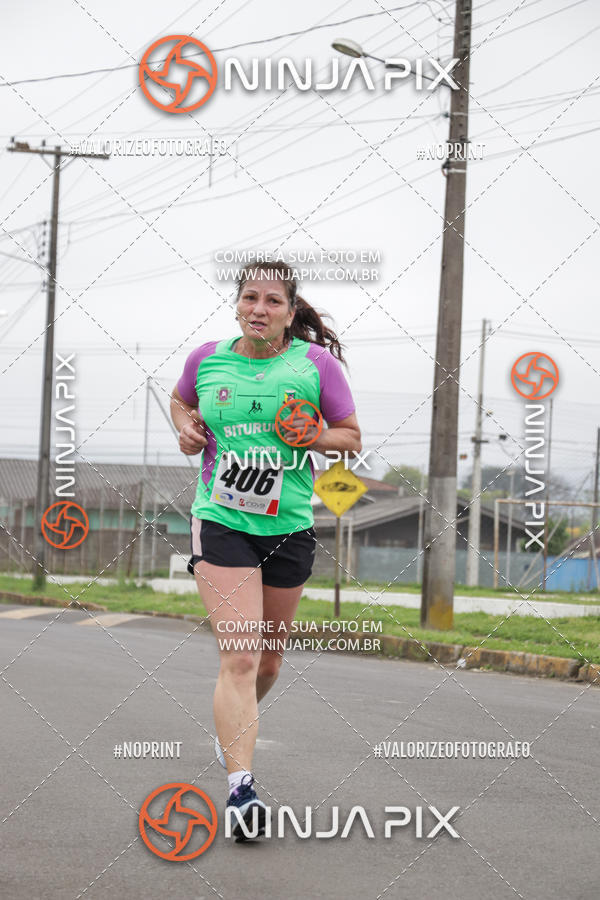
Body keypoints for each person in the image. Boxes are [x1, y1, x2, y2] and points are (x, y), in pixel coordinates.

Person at [170, 260, 361, 840]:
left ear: (289, 311)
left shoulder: (314, 365)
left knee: (270, 660)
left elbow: (350, 437)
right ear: (237, 304)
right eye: (249, 297)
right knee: (242, 655)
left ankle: (234, 725)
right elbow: (180, 402)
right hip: (221, 517)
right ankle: (242, 789)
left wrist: (316, 436)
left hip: (289, 523)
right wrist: (184, 427)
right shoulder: (207, 359)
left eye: (272, 301)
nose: (259, 308)